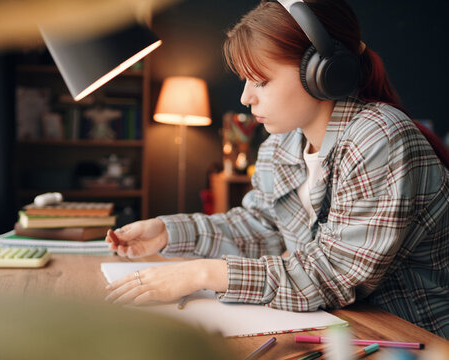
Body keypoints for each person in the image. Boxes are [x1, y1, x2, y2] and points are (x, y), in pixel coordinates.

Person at [105, 0, 449, 338]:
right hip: (342, 330)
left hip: (412, 337)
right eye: (245, 80)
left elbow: (333, 274)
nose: (245, 97)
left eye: (261, 81)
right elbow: (262, 228)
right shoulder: (280, 146)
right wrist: (169, 231)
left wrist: (202, 274)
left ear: (322, 73)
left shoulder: (378, 138)